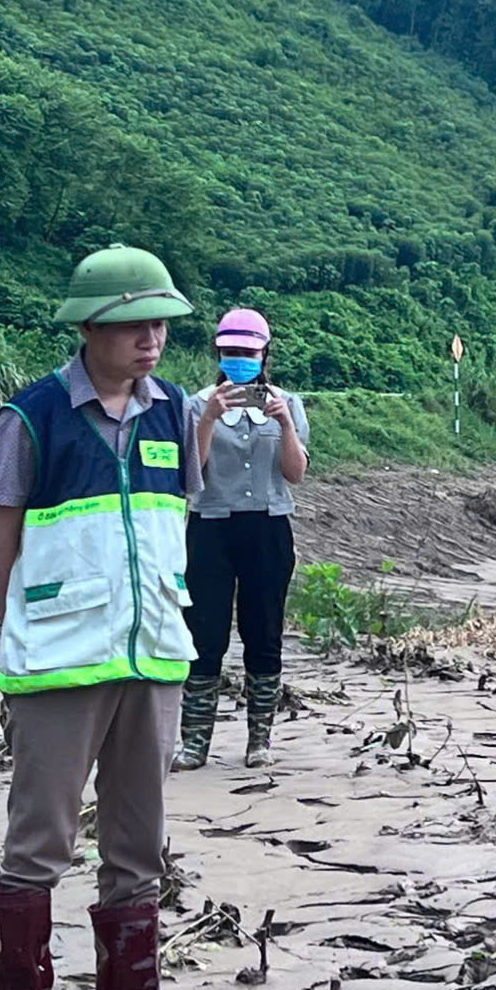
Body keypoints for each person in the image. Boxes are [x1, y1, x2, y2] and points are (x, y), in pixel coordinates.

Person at [0, 245, 222, 990]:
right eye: (132, 324)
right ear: (89, 328)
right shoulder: (32, 418)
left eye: (160, 322)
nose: (151, 337)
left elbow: (172, 525)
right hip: (58, 668)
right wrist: (29, 639)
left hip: (152, 656)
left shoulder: (174, 413)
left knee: (138, 844)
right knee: (40, 844)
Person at [178, 307, 311, 771]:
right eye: (231, 352)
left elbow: (295, 473)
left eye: (247, 353)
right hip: (211, 526)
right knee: (203, 633)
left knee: (264, 632)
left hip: (268, 527)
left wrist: (286, 425)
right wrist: (210, 419)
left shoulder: (286, 403)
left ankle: (260, 740)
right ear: (218, 352)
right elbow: (191, 476)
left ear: (264, 354)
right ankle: (194, 743)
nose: (239, 360)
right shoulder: (197, 404)